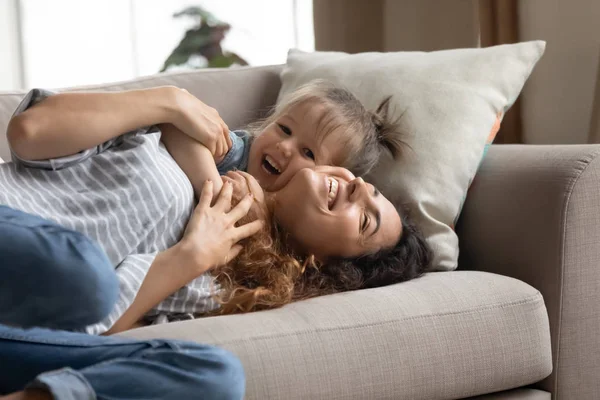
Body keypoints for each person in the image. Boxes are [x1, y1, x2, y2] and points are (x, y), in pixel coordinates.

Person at [1, 83, 431, 334]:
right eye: (365, 184)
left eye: (367, 219)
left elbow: (98, 319)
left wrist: (191, 258)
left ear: (333, 267)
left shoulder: (235, 274)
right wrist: (171, 100)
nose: (356, 186)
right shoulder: (213, 143)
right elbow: (28, 130)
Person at [0, 183, 252, 399]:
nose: (284, 148)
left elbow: (97, 329)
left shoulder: (229, 279)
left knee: (217, 376)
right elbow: (27, 134)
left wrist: (189, 258)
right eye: (284, 128)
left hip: (22, 327)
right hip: (21, 258)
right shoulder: (203, 150)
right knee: (89, 281)